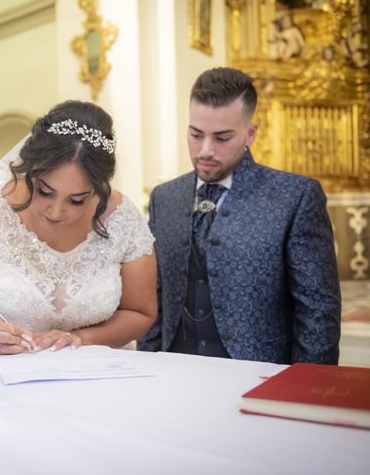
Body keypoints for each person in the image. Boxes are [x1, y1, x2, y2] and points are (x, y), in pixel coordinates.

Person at [138, 67, 341, 364]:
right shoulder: (164, 197)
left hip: (258, 376)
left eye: (222, 138)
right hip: (173, 374)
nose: (205, 150)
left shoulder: (294, 197)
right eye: (196, 135)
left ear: (251, 133)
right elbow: (154, 300)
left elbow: (318, 311)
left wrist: (308, 390)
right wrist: (148, 368)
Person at [0, 100, 157, 355]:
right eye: (44, 191)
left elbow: (140, 312)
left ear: (99, 187)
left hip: (99, 375)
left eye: (77, 200)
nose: (56, 211)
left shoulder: (124, 220)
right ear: (28, 168)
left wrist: (81, 339)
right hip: (4, 374)